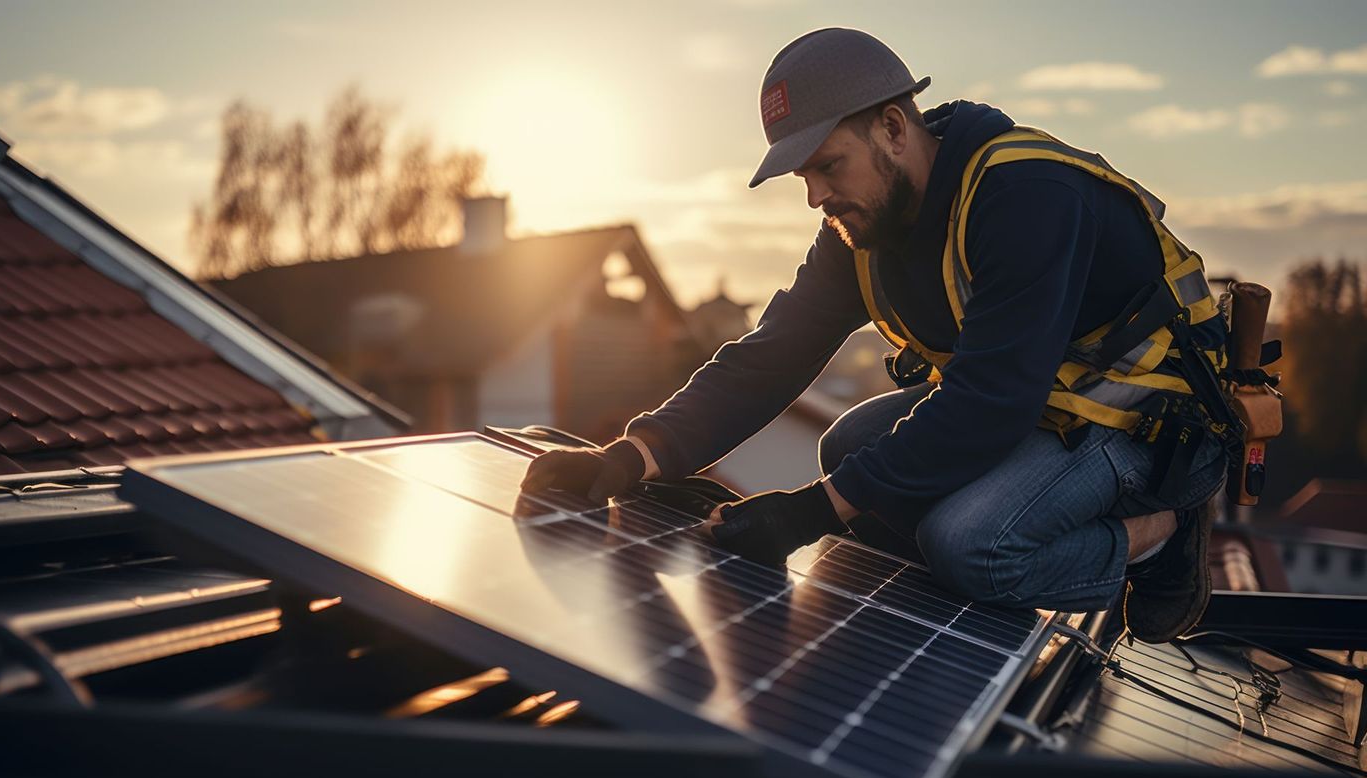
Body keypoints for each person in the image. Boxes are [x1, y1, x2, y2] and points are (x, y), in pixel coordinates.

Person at [521, 27, 1229, 643]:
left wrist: (808, 511)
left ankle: (1157, 539)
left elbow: (991, 401)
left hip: (1155, 430)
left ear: (893, 128)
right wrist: (632, 455)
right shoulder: (862, 229)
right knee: (848, 449)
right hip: (1050, 404)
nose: (816, 196)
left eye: (828, 166)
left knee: (967, 545)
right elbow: (769, 357)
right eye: (805, 175)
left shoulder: (1027, 196)